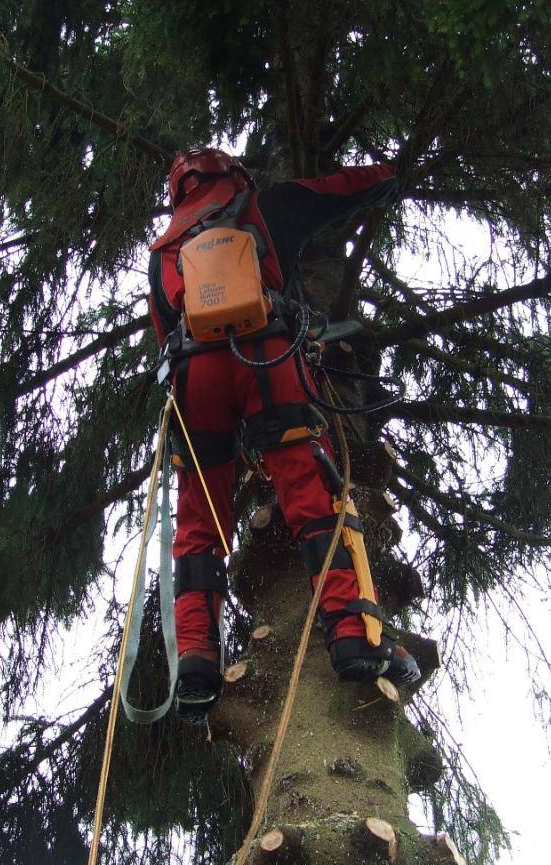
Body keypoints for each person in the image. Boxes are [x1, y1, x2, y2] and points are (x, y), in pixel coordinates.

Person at [147, 147, 419, 720]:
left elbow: (163, 335)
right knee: (310, 492)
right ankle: (353, 636)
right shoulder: (260, 207)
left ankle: (197, 658)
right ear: (231, 173)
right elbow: (332, 190)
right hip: (268, 356)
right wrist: (388, 178)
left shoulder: (163, 252)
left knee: (200, 522)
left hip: (195, 375)